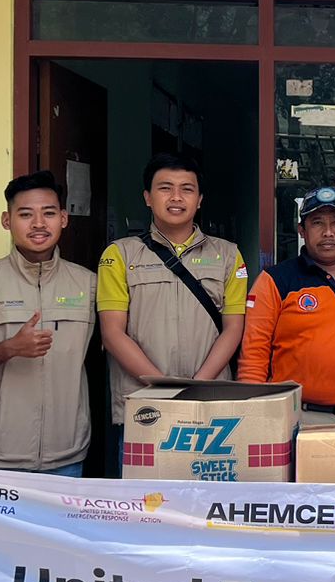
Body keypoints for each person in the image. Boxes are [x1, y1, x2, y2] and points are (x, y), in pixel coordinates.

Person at [97, 153, 247, 446]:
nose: (176, 197)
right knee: (145, 493)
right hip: (144, 405)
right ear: (148, 197)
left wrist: (196, 387)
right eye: (165, 188)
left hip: (210, 403)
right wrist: (164, 389)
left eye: (187, 189)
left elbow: (233, 328)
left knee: (209, 490)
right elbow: (112, 333)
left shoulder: (229, 255)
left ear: (200, 199)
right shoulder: (119, 254)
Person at [0, 171, 96, 476]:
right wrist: (10, 348)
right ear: (7, 220)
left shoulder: (88, 284)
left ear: (63, 218)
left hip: (66, 455)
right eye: (25, 214)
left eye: (48, 213)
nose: (38, 224)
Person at [239, 186, 335, 424]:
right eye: (317, 223)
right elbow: (254, 356)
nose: (328, 232)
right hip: (298, 417)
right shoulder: (275, 280)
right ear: (302, 230)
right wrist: (253, 417)